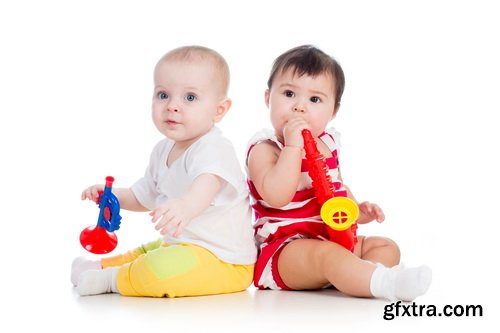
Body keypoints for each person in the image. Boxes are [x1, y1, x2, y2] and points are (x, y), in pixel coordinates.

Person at [246, 45, 431, 301]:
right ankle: (381, 283)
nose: (299, 107)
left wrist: (355, 209)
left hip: (331, 237)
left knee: (384, 246)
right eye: (289, 94)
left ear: (333, 111)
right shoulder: (265, 149)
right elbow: (277, 197)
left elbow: (336, 186)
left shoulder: (329, 143)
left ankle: (357, 278)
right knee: (328, 256)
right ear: (268, 98)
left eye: (314, 99)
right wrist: (292, 147)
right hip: (286, 250)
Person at [71, 46, 257, 297]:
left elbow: (207, 183)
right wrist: (111, 195)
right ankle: (100, 266)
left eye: (189, 98)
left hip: (223, 260)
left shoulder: (214, 147)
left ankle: (110, 280)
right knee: (149, 251)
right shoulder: (163, 149)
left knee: (155, 268)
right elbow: (142, 197)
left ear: (219, 110)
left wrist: (187, 206)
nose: (172, 106)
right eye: (163, 95)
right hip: (183, 247)